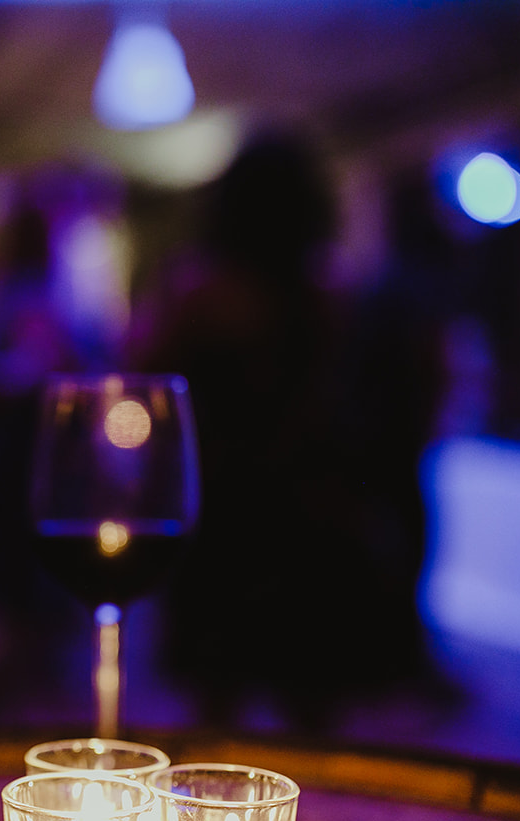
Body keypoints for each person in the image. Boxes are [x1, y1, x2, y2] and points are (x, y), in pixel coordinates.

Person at [133, 129, 373, 732]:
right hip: (310, 512)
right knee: (313, 702)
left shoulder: (197, 293)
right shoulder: (330, 296)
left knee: (217, 699)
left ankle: (205, 819)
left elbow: (141, 381)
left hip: (221, 511)